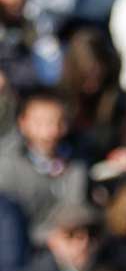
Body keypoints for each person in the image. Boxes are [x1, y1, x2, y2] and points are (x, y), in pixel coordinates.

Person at [0, 88, 87, 238]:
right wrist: (50, 238)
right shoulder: (6, 166)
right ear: (23, 122)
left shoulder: (78, 160)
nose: (51, 131)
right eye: (41, 123)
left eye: (59, 122)